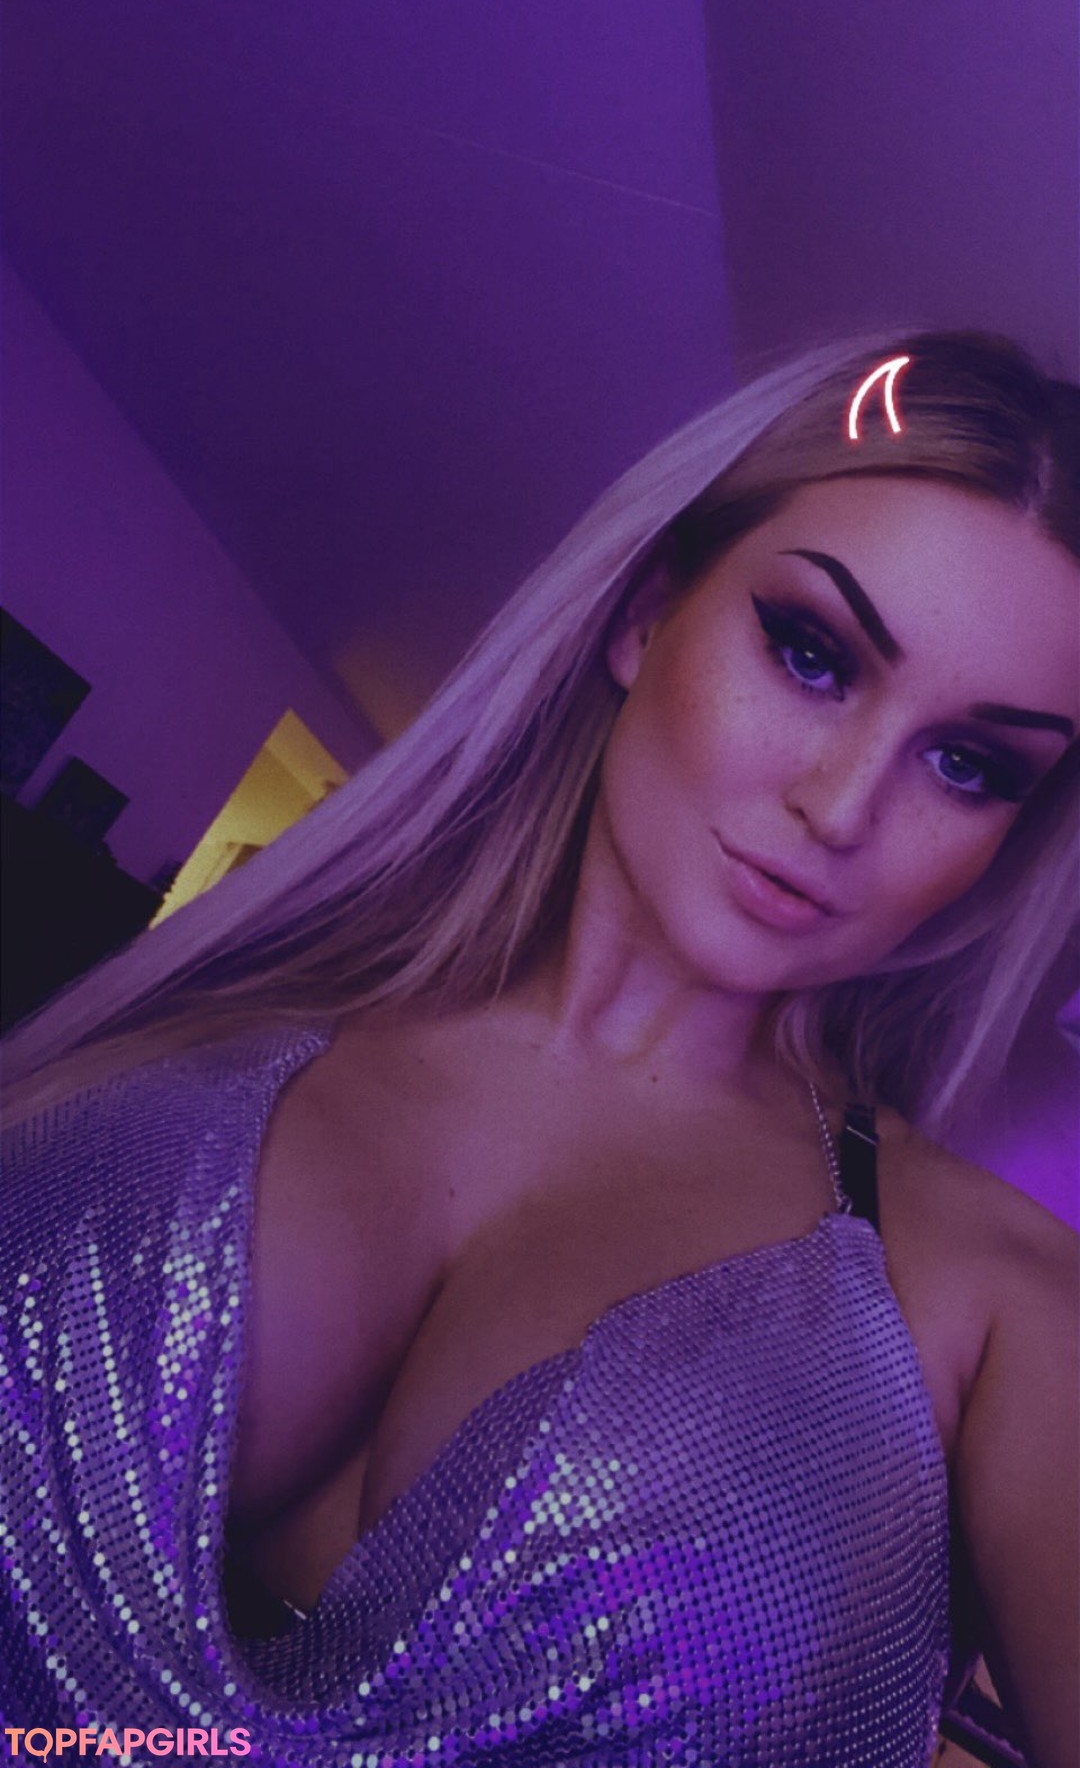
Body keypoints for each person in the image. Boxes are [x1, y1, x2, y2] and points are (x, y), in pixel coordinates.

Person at [2, 330, 1077, 1768]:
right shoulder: (217, 1009)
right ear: (646, 616)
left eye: (968, 764)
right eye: (814, 655)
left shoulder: (1000, 1309)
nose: (842, 806)